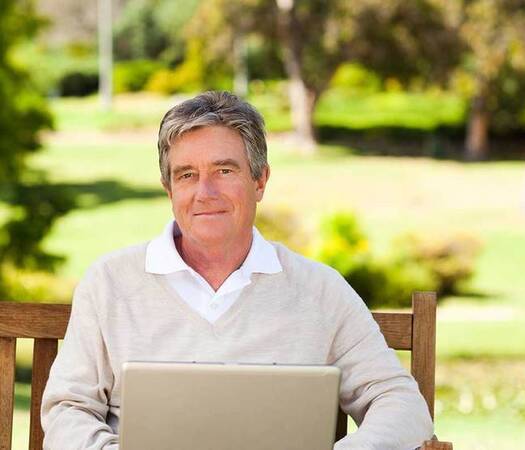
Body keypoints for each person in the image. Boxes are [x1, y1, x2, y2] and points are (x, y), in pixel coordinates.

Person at [41, 91, 434, 449]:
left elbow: (400, 404)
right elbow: (67, 410)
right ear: (169, 189)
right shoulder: (109, 283)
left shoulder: (320, 291)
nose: (204, 192)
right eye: (187, 175)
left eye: (224, 171)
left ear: (260, 181)